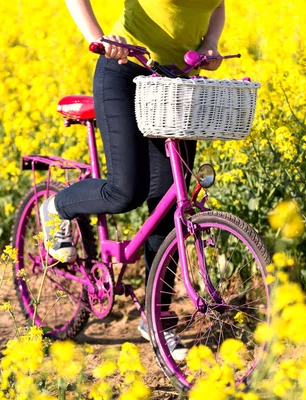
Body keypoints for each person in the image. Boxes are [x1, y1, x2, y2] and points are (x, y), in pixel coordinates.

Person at [39, 0, 226, 360]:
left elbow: (216, 6)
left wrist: (211, 42)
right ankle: (56, 207)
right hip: (124, 70)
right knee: (127, 190)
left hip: (177, 82)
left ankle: (158, 318)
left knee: (170, 203)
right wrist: (98, 38)